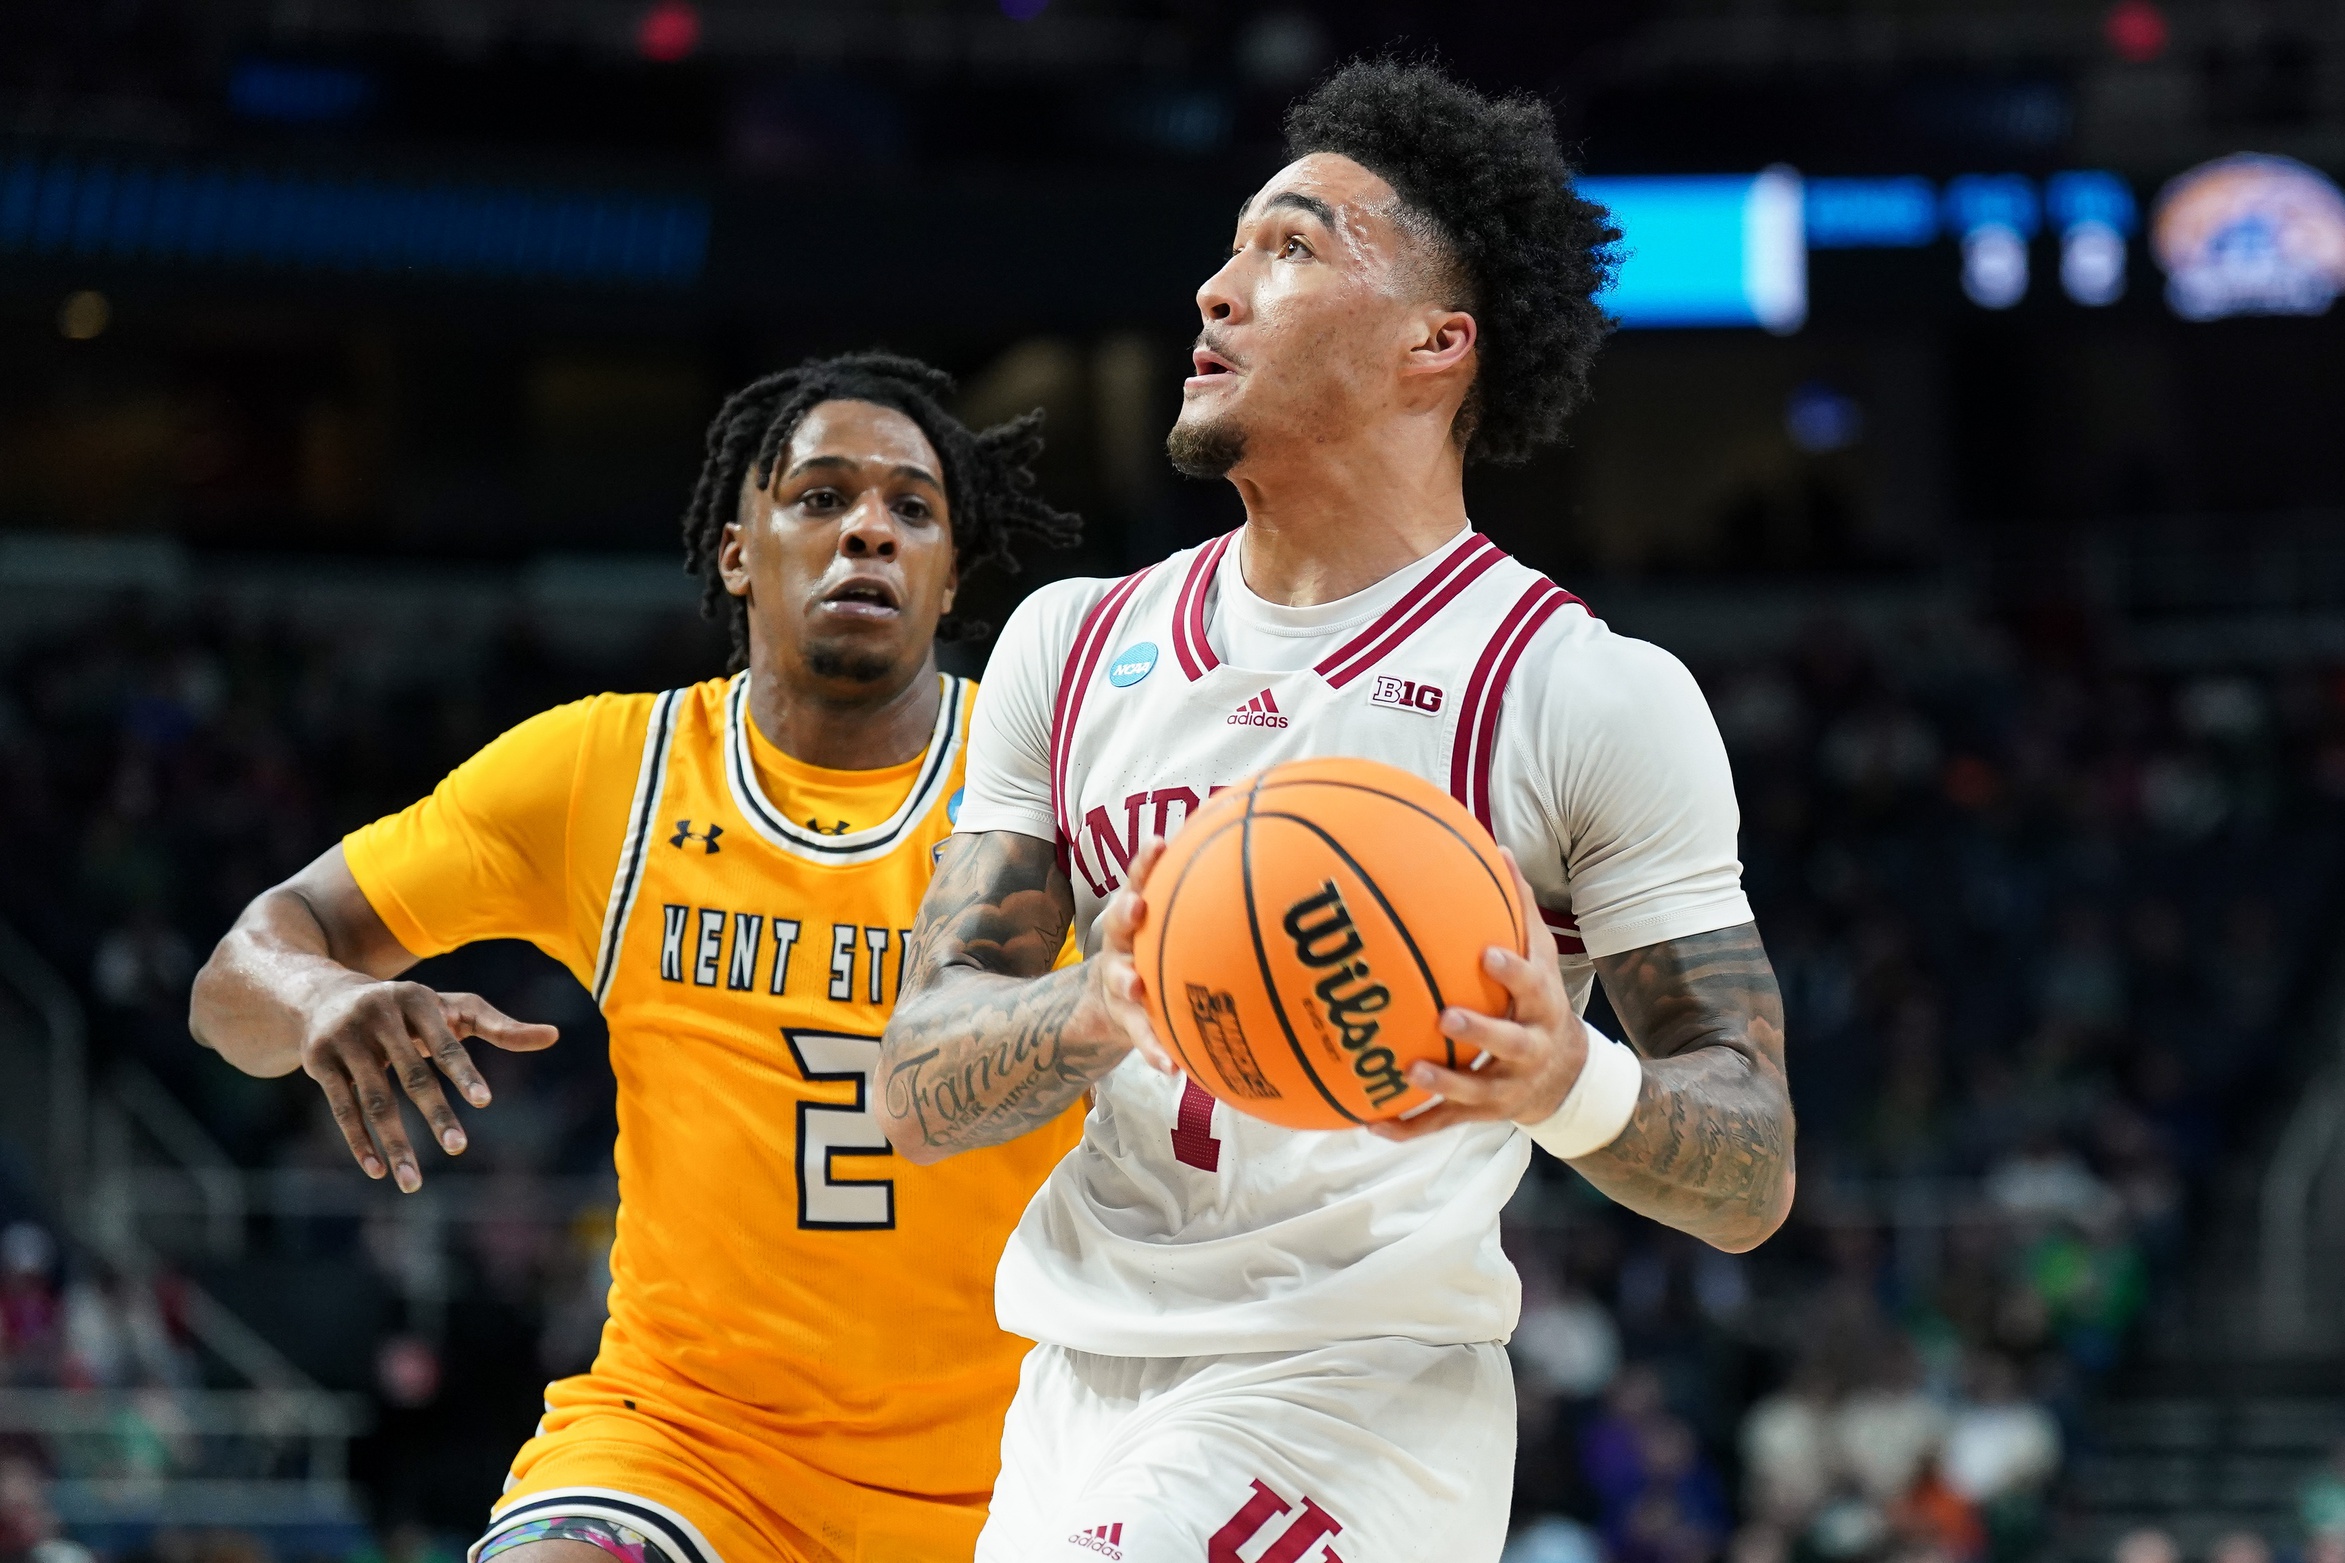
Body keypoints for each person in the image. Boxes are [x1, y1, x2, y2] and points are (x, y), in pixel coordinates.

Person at [879, 60, 1796, 1563]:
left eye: (1291, 249)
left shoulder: (1580, 693)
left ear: (1435, 346)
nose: (1217, 289)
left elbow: (1752, 1166)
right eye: (1235, 246)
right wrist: (1094, 1007)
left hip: (1353, 1397)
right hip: (1070, 1391)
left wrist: (1569, 1080)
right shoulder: (1070, 637)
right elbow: (917, 1086)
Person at [189, 354, 1083, 1563]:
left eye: (910, 510)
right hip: (688, 1446)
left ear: (948, 576)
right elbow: (237, 973)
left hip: (1030, 1459)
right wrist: (317, 1000)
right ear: (736, 550)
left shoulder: (1056, 786)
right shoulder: (606, 774)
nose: (867, 529)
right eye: (820, 497)